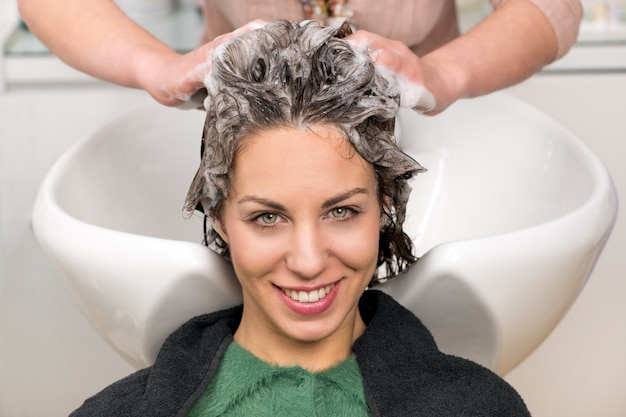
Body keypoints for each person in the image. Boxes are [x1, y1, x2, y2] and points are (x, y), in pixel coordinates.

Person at [69, 19, 531, 416]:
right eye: (268, 217)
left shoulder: (482, 406)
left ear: (385, 202)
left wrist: (442, 73)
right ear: (219, 213)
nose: (308, 262)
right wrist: (158, 66)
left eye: (342, 211)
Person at [18, 0, 582, 114]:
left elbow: (553, 7)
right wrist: (158, 68)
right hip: (244, 154)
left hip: (424, 146)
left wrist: (441, 73)